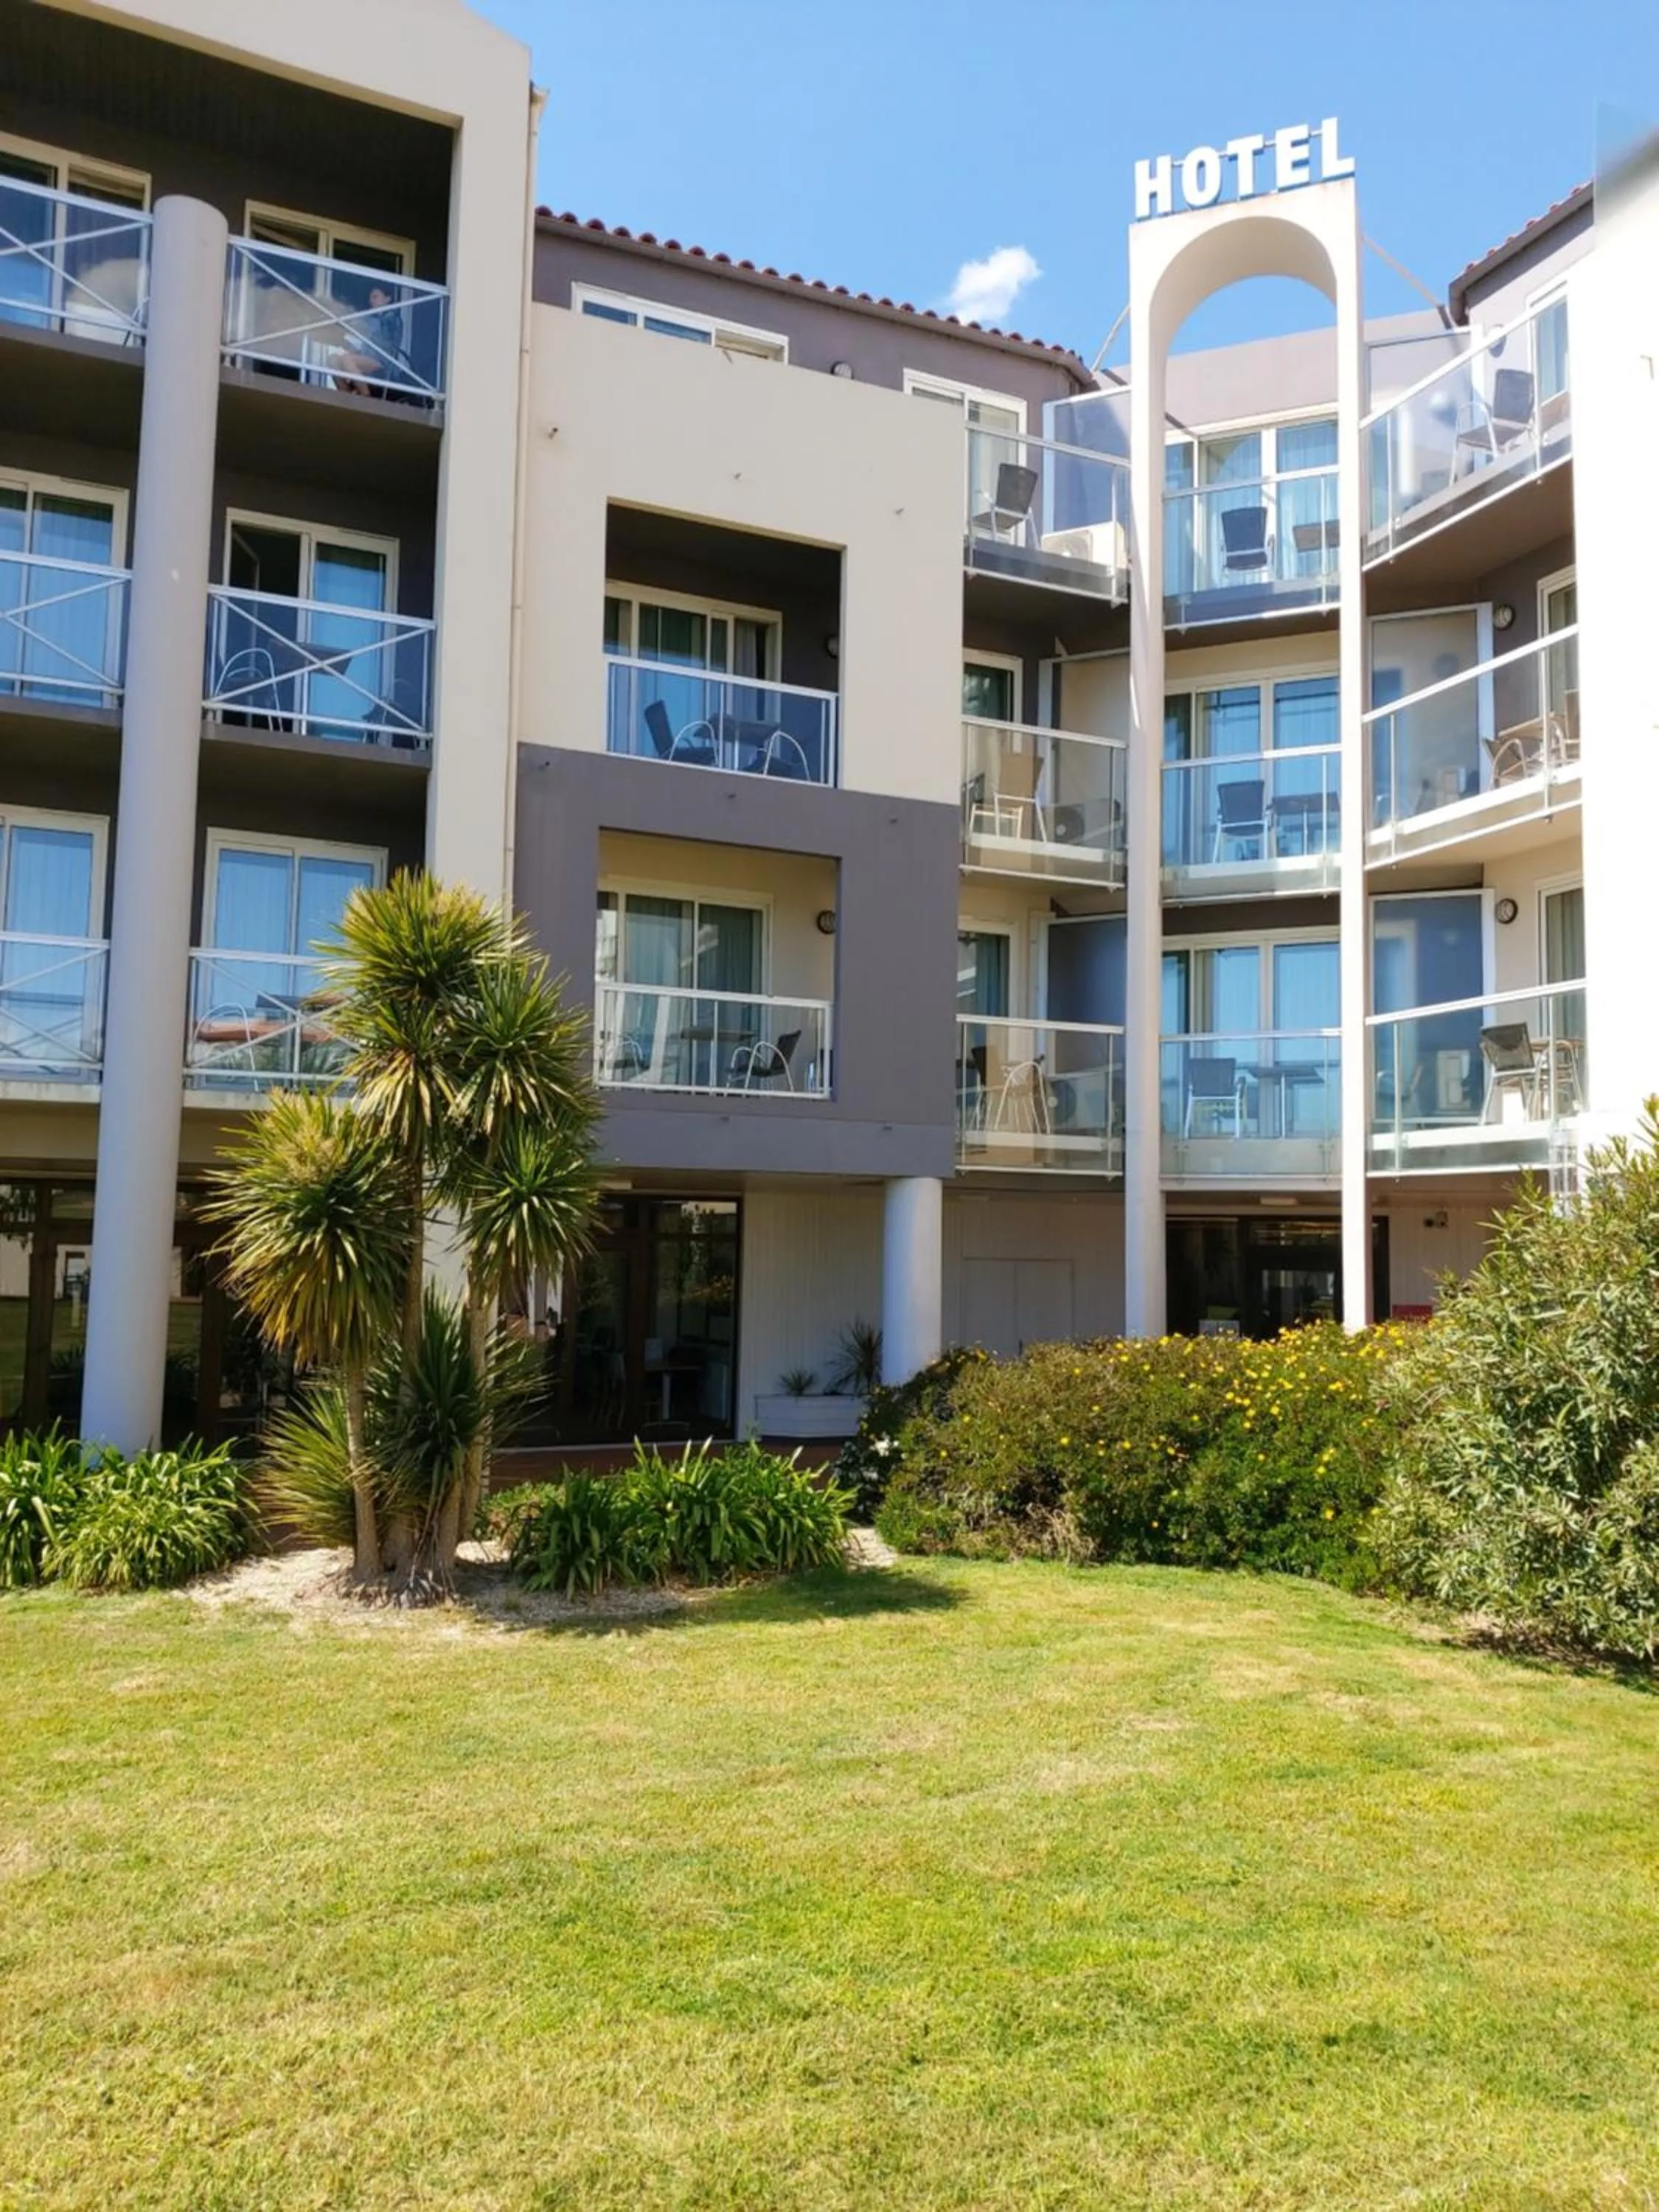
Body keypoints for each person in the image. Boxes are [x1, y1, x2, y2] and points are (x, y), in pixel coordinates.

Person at [330, 283, 406, 394]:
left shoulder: (392, 318)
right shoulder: (372, 320)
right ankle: (345, 394)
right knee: (333, 359)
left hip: (383, 364)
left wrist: (357, 322)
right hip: (367, 359)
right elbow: (363, 342)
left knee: (347, 359)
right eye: (370, 298)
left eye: (375, 297)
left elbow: (382, 339)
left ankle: (365, 396)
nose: (371, 301)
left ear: (388, 299)